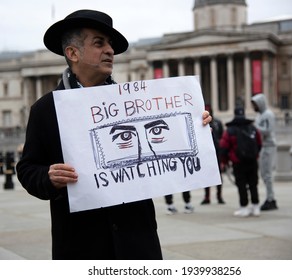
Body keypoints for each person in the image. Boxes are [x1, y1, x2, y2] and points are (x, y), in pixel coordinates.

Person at [16, 9, 212, 260]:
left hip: (137, 243)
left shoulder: (139, 103)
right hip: (81, 245)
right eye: (99, 43)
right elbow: (27, 168)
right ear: (72, 53)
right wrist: (48, 177)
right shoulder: (45, 109)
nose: (110, 50)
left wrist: (197, 127)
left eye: (110, 44)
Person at [219, 107, 262, 217]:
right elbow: (259, 143)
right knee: (253, 184)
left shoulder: (230, 130)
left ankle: (244, 207)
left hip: (238, 161)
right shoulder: (252, 128)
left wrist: (225, 161)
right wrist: (255, 155)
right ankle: (256, 206)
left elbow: (224, 147)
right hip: (252, 161)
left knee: (241, 185)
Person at [251, 93, 278, 211]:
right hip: (263, 146)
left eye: (255, 104)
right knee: (264, 174)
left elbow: (267, 130)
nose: (253, 107)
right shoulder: (260, 115)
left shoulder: (268, 115)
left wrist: (254, 128)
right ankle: (270, 197)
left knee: (267, 174)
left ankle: (271, 199)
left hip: (268, 146)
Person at [200, 104, 225, 205]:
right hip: (206, 152)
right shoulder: (202, 123)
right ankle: (207, 196)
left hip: (217, 151)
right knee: (206, 175)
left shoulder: (217, 123)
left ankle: (219, 196)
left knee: (218, 175)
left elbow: (222, 137)